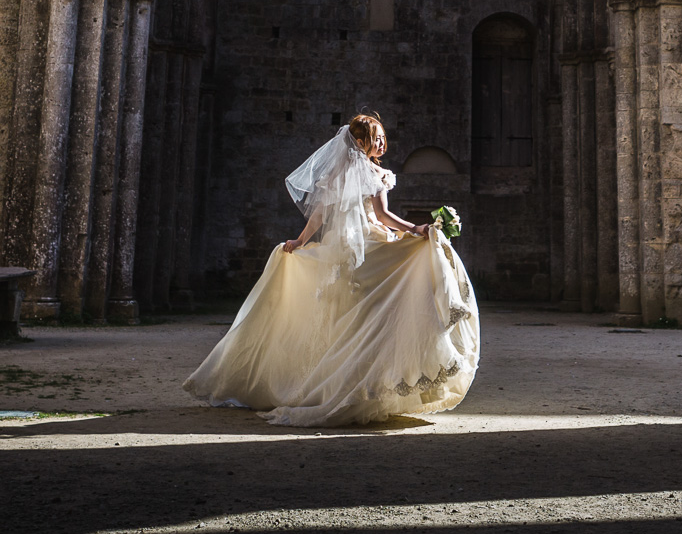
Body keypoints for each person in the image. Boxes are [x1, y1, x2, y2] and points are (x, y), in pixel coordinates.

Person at [183, 112, 480, 426]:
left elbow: (323, 214)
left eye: (383, 137)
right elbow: (381, 216)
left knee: (352, 313)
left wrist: (301, 241)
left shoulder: (341, 171)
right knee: (376, 305)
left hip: (342, 247)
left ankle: (354, 381)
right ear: (360, 142)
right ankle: (358, 383)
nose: (382, 143)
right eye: (376, 138)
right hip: (367, 245)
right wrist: (416, 229)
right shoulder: (374, 173)